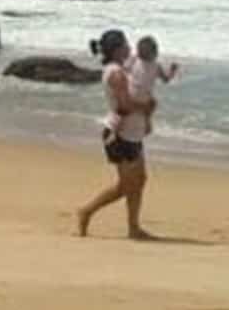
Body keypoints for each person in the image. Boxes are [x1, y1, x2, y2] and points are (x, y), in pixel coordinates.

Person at [76, 30, 178, 239]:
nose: (130, 48)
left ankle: (134, 227)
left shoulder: (123, 68)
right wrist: (148, 108)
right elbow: (126, 104)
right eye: (125, 45)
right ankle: (87, 211)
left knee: (139, 180)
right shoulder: (116, 73)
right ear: (117, 49)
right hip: (120, 135)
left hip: (132, 132)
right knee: (127, 185)